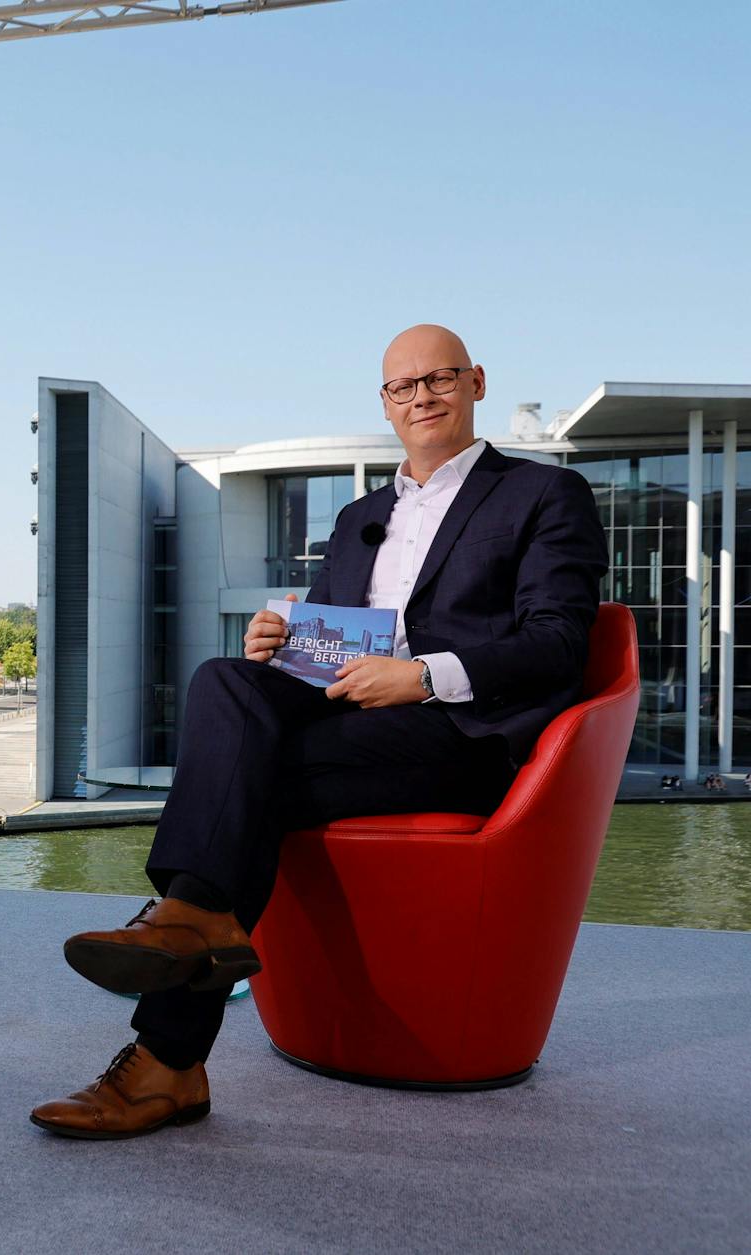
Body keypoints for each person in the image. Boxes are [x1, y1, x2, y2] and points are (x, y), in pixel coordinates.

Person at [31, 325, 608, 1140]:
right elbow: (333, 641)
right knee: (224, 678)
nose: (421, 398)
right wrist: (283, 641)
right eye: (402, 388)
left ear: (475, 381)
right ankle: (190, 940)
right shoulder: (360, 516)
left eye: (438, 379)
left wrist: (422, 674)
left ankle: (171, 1026)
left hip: (462, 736)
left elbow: (559, 643)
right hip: (350, 722)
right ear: (384, 402)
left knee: (247, 786)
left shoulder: (544, 495)